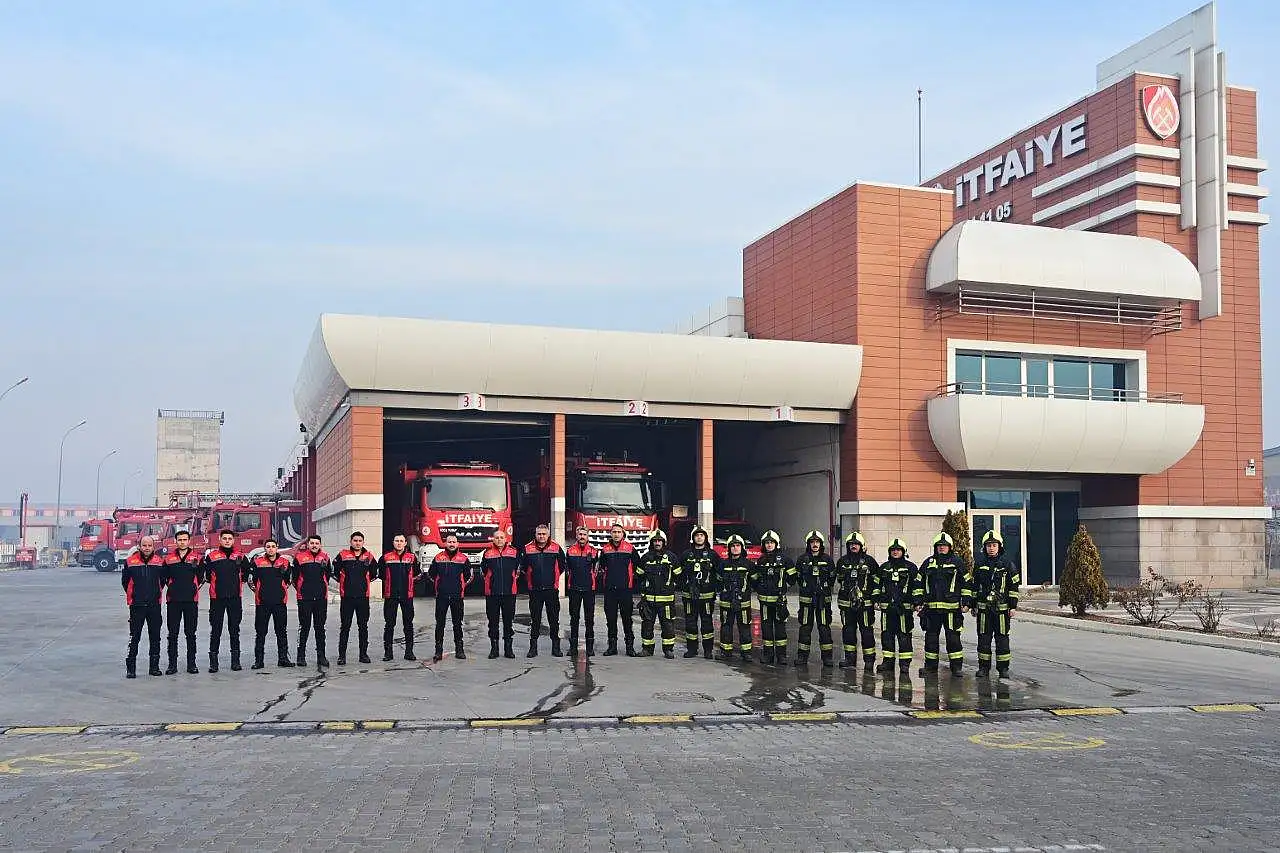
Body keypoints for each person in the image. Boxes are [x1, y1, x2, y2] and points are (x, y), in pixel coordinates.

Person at [917, 532, 971, 677]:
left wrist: (966, 602)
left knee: (953, 640)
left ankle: (956, 668)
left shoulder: (957, 563)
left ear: (950, 547)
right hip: (932, 610)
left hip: (951, 610)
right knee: (931, 639)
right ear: (935, 547)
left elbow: (966, 583)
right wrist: (917, 602)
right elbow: (918, 583)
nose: (942, 548)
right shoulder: (928, 563)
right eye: (939, 545)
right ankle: (930, 667)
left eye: (945, 545)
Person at [972, 530, 1020, 678]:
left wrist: (1013, 606)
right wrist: (973, 605)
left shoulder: (1007, 564)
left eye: (994, 545)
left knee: (1002, 640)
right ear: (984, 547)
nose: (991, 548)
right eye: (988, 545)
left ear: (1000, 546)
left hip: (1001, 610)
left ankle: (1003, 669)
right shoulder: (979, 564)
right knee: (983, 639)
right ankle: (983, 668)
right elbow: (974, 586)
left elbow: (1014, 586)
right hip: (984, 610)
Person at [203, 528, 249, 673]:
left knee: (234, 630)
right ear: (220, 540)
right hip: (217, 599)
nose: (227, 541)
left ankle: (235, 662)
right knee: (216, 630)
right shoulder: (211, 557)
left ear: (233, 540)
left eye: (230, 539)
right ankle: (213, 663)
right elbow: (208, 577)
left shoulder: (241, 557)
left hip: (235, 598)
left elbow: (245, 574)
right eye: (225, 538)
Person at [872, 538, 920, 676]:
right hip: (887, 609)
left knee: (904, 636)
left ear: (903, 552)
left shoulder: (911, 568)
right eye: (893, 550)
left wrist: (916, 602)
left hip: (904, 609)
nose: (895, 552)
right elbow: (877, 585)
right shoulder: (884, 567)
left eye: (898, 550)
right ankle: (888, 662)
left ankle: (904, 664)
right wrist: (876, 599)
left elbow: (917, 587)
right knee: (887, 636)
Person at [520, 524, 567, 658]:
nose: (541, 536)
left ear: (548, 535)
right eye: (539, 534)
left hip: (551, 590)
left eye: (544, 534)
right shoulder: (527, 548)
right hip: (535, 590)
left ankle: (556, 647)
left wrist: (553, 578)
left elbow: (562, 566)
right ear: (535, 535)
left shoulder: (556, 548)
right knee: (535, 620)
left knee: (554, 619)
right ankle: (533, 648)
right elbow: (523, 567)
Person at [122, 535, 165, 678]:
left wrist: (155, 594)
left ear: (153, 547)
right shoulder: (130, 562)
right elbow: (125, 582)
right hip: (137, 606)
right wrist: (135, 595)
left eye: (149, 545)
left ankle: (154, 667)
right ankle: (131, 668)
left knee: (155, 637)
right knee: (134, 637)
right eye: (144, 545)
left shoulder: (159, 562)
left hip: (154, 606)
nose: (147, 548)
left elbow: (162, 581)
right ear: (139, 546)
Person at [161, 529, 202, 675]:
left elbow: (201, 576)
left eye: (185, 540)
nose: (182, 542)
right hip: (173, 601)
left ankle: (192, 664)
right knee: (173, 634)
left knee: (191, 633)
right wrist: (173, 587)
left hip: (191, 601)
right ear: (176, 541)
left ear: (189, 541)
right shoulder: (168, 559)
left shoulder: (197, 558)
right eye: (180, 540)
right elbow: (163, 577)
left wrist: (192, 588)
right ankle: (172, 665)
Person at [750, 530, 795, 665]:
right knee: (766, 628)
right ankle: (768, 655)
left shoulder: (785, 560)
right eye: (767, 543)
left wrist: (783, 588)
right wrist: (759, 589)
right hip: (764, 602)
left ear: (776, 544)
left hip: (779, 601)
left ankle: (781, 655)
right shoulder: (761, 560)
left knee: (780, 628)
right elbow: (755, 578)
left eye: (771, 542)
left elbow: (792, 578)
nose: (769, 545)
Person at [793, 530, 837, 668]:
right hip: (806, 601)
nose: (815, 544)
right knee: (805, 628)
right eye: (812, 542)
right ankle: (802, 657)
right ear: (808, 544)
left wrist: (823, 589)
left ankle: (827, 658)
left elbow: (832, 579)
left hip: (823, 601)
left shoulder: (828, 560)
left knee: (824, 628)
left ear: (821, 544)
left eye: (817, 542)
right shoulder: (802, 560)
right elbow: (798, 578)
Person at [836, 531, 879, 671]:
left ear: (862, 545)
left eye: (856, 544)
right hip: (846, 604)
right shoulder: (842, 561)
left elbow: (877, 581)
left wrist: (874, 598)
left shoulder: (870, 561)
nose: (853, 546)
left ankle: (869, 660)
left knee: (866, 632)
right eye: (851, 544)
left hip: (865, 605)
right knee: (848, 631)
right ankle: (850, 659)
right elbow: (840, 579)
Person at [333, 531, 378, 665]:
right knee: (345, 627)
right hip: (347, 597)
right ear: (351, 542)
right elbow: (335, 571)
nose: (357, 543)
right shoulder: (343, 555)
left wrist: (363, 583)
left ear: (363, 542)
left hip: (363, 597)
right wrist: (344, 583)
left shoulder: (369, 556)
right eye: (355, 540)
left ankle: (363, 655)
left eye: (360, 541)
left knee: (363, 627)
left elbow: (374, 573)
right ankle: (342, 656)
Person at [248, 538, 294, 670]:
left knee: (281, 631)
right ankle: (259, 661)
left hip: (279, 603)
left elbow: (289, 580)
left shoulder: (285, 562)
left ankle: (283, 659)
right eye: (268, 546)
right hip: (262, 603)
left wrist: (281, 592)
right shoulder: (257, 562)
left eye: (273, 546)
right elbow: (251, 581)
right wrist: (259, 593)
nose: (271, 549)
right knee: (260, 632)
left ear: (277, 548)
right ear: (265, 549)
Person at [636, 529, 681, 658]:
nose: (657, 543)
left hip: (666, 600)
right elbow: (639, 576)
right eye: (655, 541)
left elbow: (679, 576)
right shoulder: (645, 558)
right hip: (649, 600)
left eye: (659, 541)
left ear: (664, 542)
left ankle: (668, 650)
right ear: (651, 542)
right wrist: (644, 590)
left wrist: (671, 586)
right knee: (647, 625)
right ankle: (647, 649)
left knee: (668, 626)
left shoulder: (672, 558)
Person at [428, 533, 472, 663]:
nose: (451, 544)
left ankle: (459, 649)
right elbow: (431, 574)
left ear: (457, 543)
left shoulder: (463, 559)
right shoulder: (438, 558)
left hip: (457, 596)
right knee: (439, 624)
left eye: (454, 542)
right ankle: (438, 651)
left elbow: (469, 576)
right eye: (449, 542)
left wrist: (460, 587)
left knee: (457, 624)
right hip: (441, 596)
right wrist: (439, 586)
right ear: (445, 543)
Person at [679, 525, 721, 659]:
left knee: (707, 624)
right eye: (697, 535)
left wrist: (716, 588)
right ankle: (692, 649)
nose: (699, 537)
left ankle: (708, 650)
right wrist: (683, 586)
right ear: (693, 538)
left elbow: (720, 573)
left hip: (707, 597)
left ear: (705, 538)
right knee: (690, 624)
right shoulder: (686, 555)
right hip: (689, 596)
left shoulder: (712, 555)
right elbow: (678, 573)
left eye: (701, 535)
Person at [378, 533, 421, 662]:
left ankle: (409, 652)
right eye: (396, 540)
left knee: (408, 624)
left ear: (405, 543)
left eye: (401, 541)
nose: (399, 543)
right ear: (393, 542)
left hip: (407, 595)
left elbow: (418, 574)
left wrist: (408, 584)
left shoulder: (412, 558)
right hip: (390, 595)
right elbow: (381, 575)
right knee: (389, 624)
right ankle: (388, 653)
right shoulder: (385, 558)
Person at [598, 523, 638, 657]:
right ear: (611, 534)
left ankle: (630, 647)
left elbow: (637, 566)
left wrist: (632, 583)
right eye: (614, 532)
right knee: (611, 620)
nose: (616, 534)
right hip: (610, 590)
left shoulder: (630, 548)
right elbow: (602, 567)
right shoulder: (605, 550)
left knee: (627, 619)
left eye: (619, 532)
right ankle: (612, 647)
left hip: (625, 590)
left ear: (623, 534)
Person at [292, 534, 332, 668]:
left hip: (321, 598)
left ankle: (321, 656)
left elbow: (328, 575)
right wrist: (302, 590)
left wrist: (321, 589)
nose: (314, 545)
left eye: (317, 543)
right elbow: (294, 578)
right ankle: (301, 656)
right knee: (304, 627)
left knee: (320, 628)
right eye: (312, 543)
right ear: (308, 545)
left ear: (320, 545)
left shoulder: (325, 557)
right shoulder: (299, 557)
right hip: (305, 598)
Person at [480, 529, 521, 659]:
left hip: (509, 593)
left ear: (506, 539)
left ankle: (508, 649)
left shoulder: (514, 552)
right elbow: (483, 571)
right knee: (493, 622)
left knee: (508, 622)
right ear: (493, 539)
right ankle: (494, 649)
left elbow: (518, 569)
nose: (499, 540)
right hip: (492, 594)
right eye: (497, 537)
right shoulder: (487, 553)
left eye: (501, 537)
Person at [717, 534, 754, 662]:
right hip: (726, 602)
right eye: (732, 546)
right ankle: (725, 652)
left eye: (737, 545)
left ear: (742, 547)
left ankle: (746, 653)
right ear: (729, 548)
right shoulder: (723, 564)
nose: (735, 548)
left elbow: (755, 582)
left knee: (744, 627)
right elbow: (718, 581)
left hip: (743, 603)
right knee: (726, 627)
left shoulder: (749, 565)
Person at [564, 527, 600, 658]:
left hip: (589, 590)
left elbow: (597, 570)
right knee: (574, 619)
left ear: (588, 536)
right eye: (580, 534)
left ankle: (589, 648)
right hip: (574, 589)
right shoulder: (570, 551)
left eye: (584, 534)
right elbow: (566, 569)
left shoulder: (594, 552)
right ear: (576, 536)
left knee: (589, 619)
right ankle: (573, 648)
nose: (582, 536)